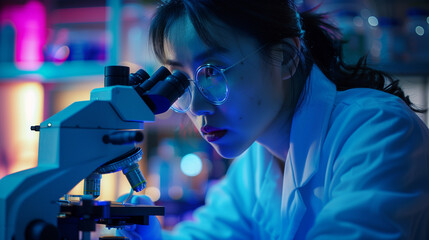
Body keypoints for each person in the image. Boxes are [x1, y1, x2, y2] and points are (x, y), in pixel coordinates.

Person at [118, 0, 429, 239]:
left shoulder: (379, 131)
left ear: (286, 58)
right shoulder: (254, 165)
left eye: (212, 72)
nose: (197, 107)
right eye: (180, 80)